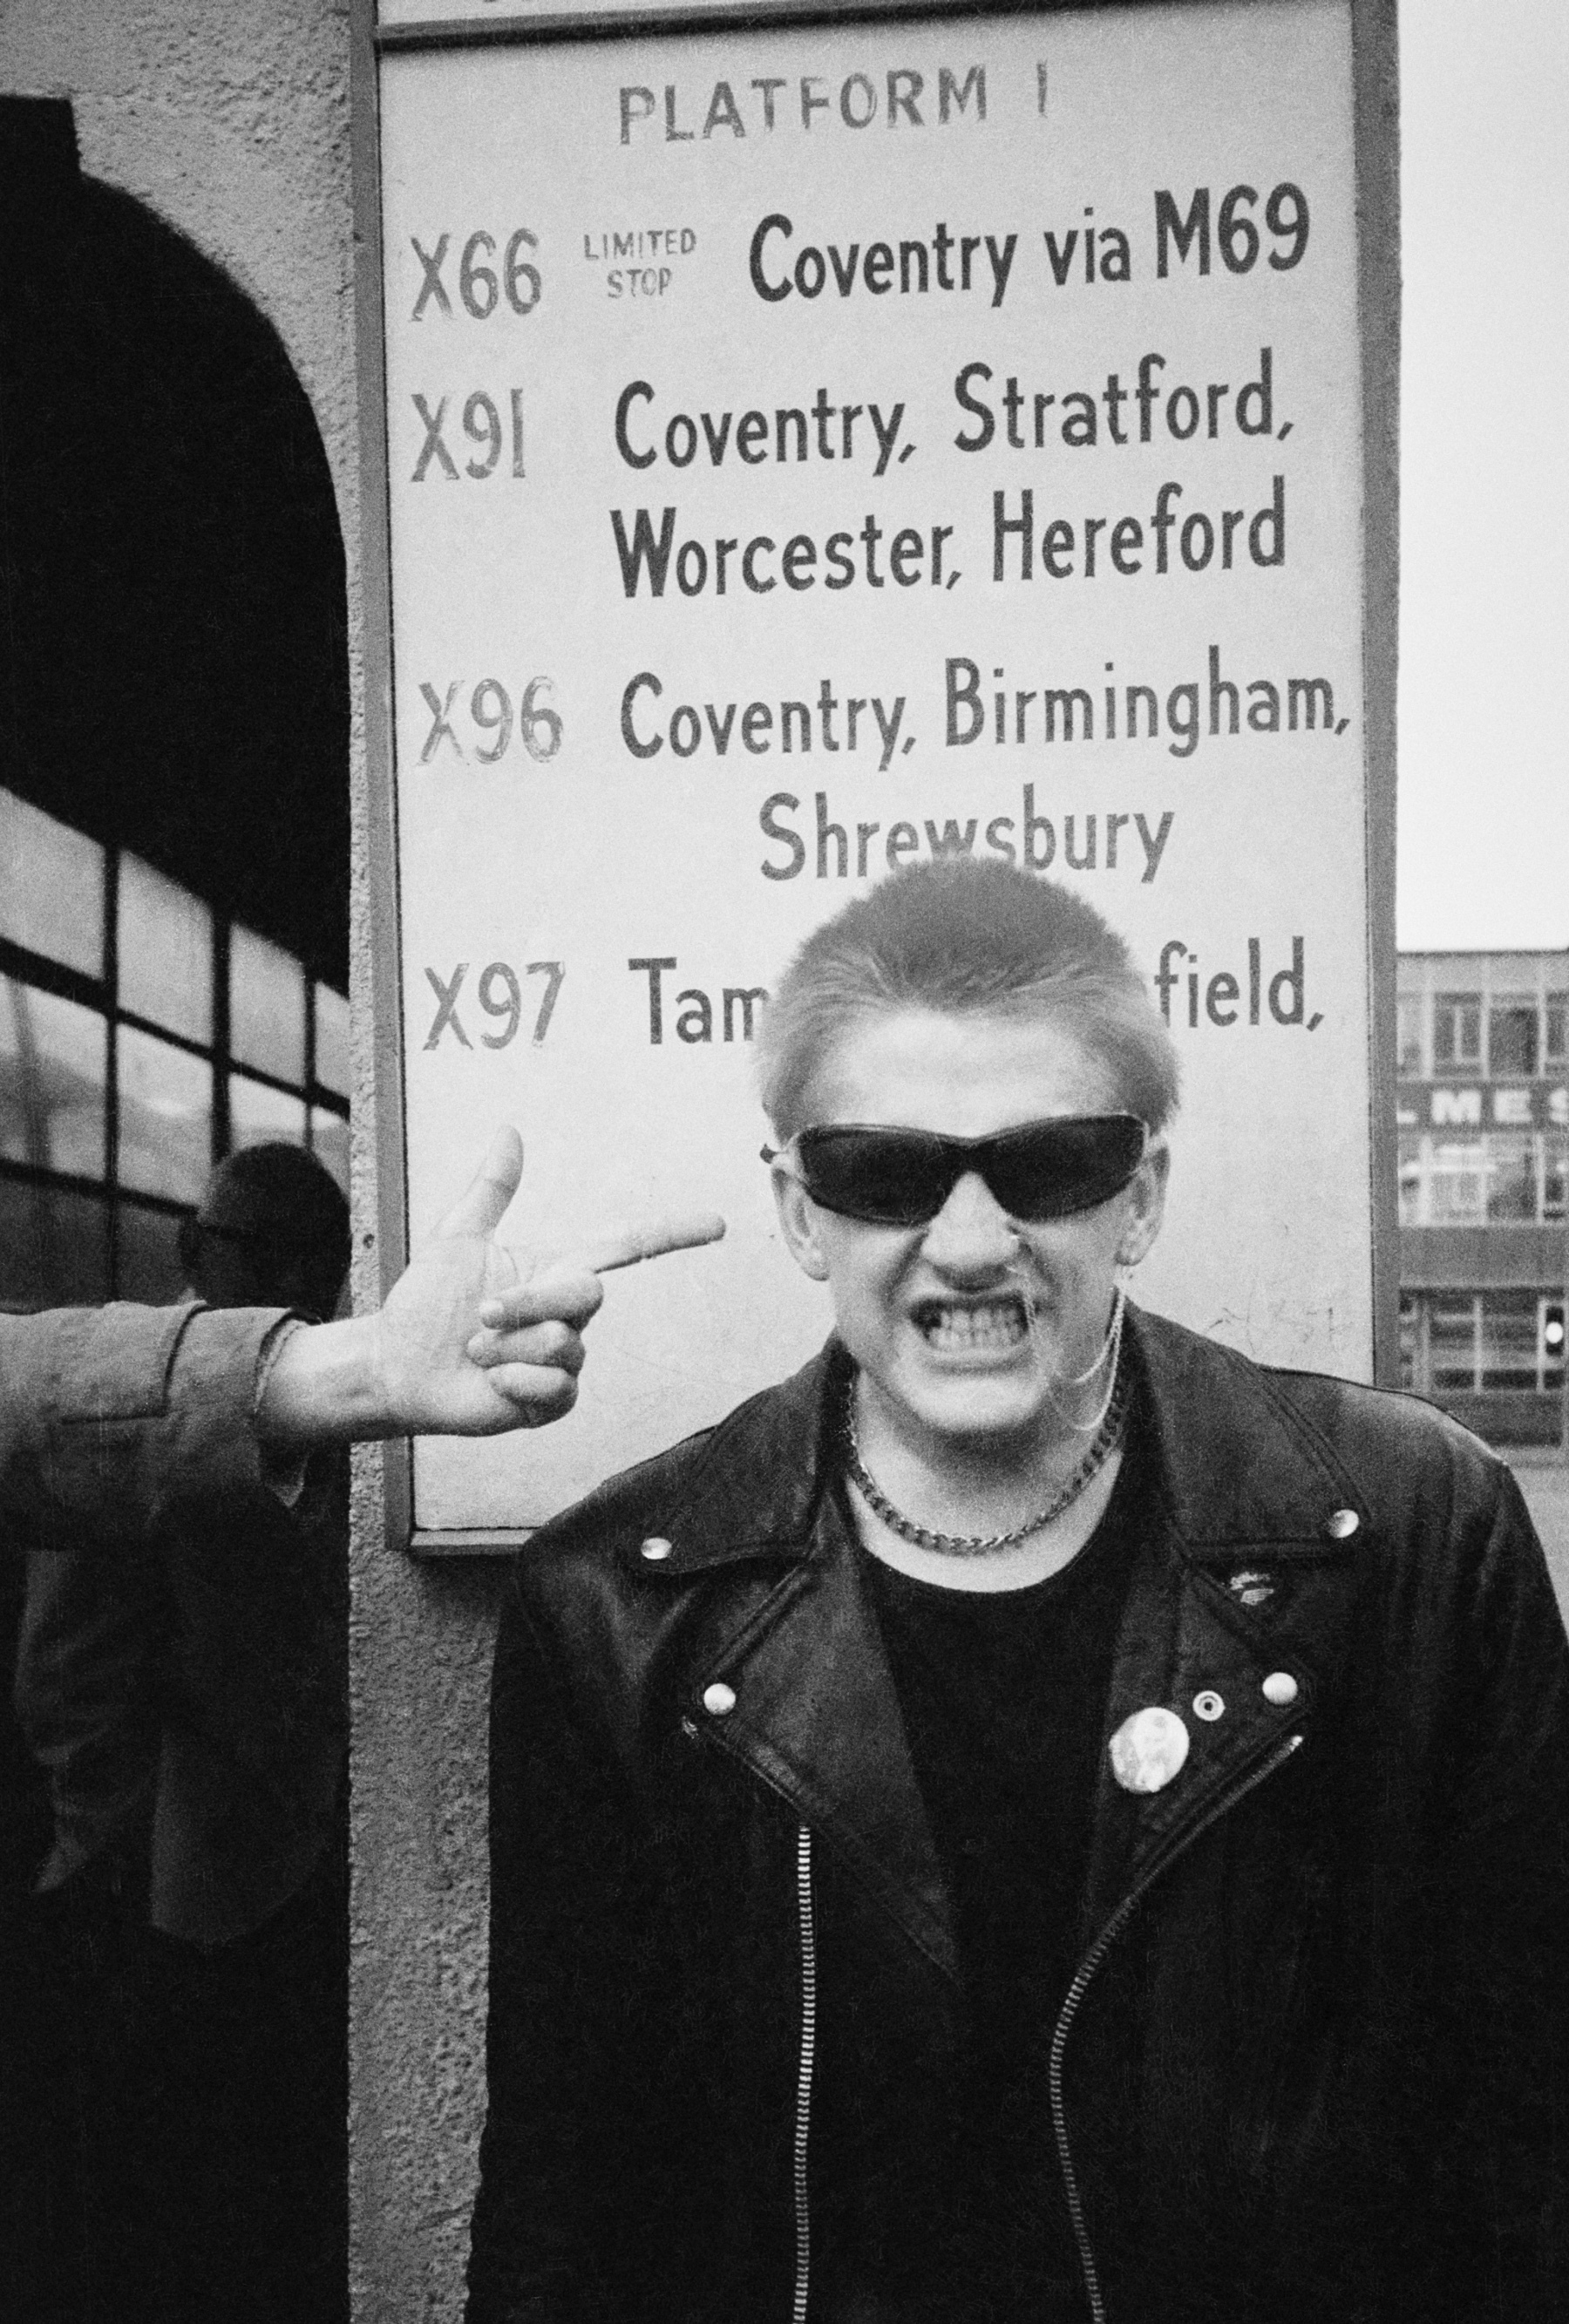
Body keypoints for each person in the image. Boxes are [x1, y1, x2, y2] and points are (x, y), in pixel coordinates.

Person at [465, 860, 1569, 2324]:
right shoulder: (616, 1604)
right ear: (802, 1213)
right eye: (887, 1171)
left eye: (1046, 1163)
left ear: (1141, 1195)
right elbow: (572, 2198)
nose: (972, 1240)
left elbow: (1520, 2143)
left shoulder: (1414, 1539)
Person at [0, 1127, 721, 2323]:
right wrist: (98, 1868)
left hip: (313, 1865)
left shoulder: (299, 1377)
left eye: (312, 1250)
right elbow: (70, 1673)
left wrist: (357, 1371)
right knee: (174, 2190)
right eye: (251, 1246)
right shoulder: (129, 1439)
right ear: (194, 1246)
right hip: (184, 1884)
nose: (283, 1271)